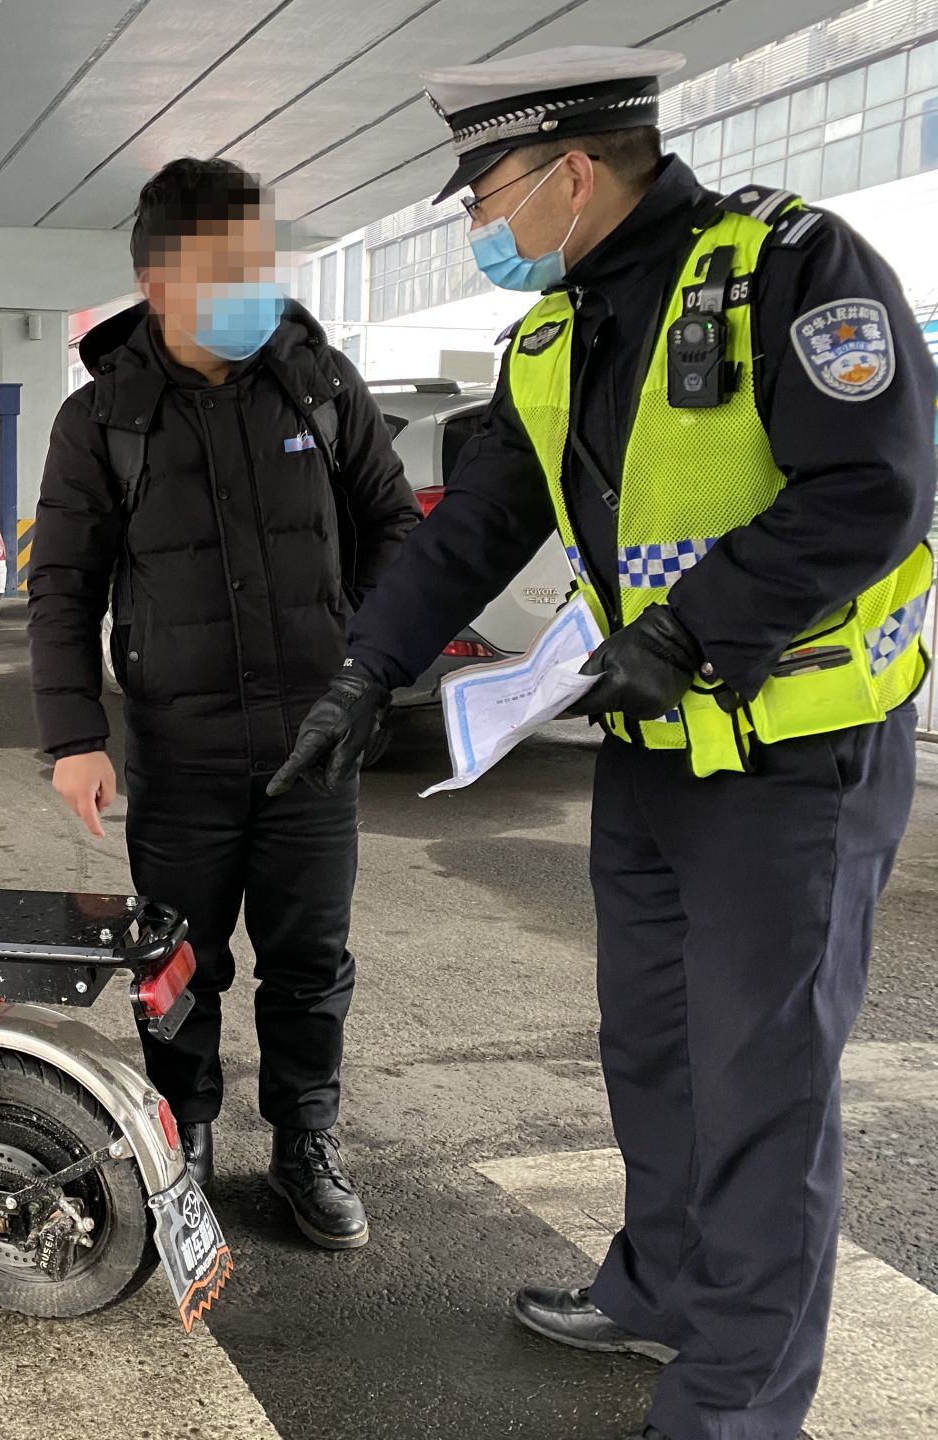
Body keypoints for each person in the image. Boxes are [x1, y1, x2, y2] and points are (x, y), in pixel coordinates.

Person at [273, 45, 932, 1440]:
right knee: (654, 1051)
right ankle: (662, 1293)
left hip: (793, 759)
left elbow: (874, 490)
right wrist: (364, 671)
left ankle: (736, 1406)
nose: (478, 227)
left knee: (760, 1089)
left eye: (488, 194)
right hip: (649, 751)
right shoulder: (561, 330)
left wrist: (693, 629)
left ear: (575, 173)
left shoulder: (794, 269)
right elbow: (481, 524)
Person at [26, 157, 421, 1248]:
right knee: (179, 964)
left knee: (310, 964)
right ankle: (184, 1138)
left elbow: (394, 529)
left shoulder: (318, 382)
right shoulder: (104, 419)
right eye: (230, 269)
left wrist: (374, 662)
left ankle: (304, 1143)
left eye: (264, 260)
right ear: (160, 286)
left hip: (314, 746)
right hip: (181, 753)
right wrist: (73, 736)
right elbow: (62, 585)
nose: (260, 285)